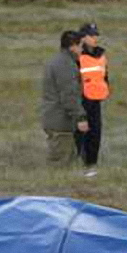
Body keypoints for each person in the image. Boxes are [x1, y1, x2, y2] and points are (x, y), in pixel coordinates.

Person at [40, 31, 89, 165]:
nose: (82, 50)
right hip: (60, 122)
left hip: (55, 119)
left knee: (65, 161)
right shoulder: (65, 65)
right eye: (80, 46)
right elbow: (69, 95)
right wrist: (80, 117)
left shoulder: (58, 61)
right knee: (60, 165)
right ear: (72, 46)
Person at [74, 22, 110, 175]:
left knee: (96, 131)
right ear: (82, 38)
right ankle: (76, 163)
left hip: (96, 99)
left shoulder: (101, 54)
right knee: (80, 132)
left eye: (96, 35)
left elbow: (104, 75)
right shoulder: (76, 55)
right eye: (91, 35)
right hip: (80, 99)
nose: (95, 38)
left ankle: (91, 164)